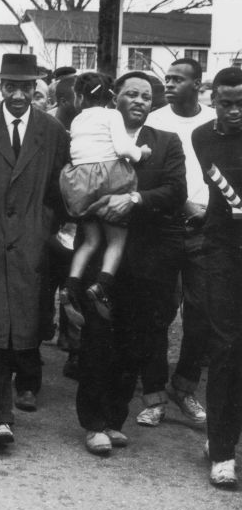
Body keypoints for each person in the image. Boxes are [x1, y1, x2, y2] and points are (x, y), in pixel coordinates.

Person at [72, 71, 186, 455]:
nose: (139, 101)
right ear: (114, 98)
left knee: (132, 346)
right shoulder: (94, 135)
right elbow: (71, 182)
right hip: (101, 261)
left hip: (145, 261)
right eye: (130, 94)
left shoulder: (166, 143)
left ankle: (115, 419)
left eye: (146, 96)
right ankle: (94, 423)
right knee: (97, 342)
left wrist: (134, 200)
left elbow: (175, 191)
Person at [0, 53, 69, 449]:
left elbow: (61, 190)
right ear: (0, 87)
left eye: (27, 86)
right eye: (11, 86)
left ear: (37, 87)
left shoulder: (53, 131)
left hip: (31, 244)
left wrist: (44, 230)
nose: (19, 94)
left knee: (27, 327)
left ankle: (20, 392)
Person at [138, 57, 216, 427]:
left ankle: (183, 386)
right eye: (166, 78)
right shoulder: (154, 121)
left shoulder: (215, 119)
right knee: (157, 310)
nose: (168, 84)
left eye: (178, 79)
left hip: (208, 228)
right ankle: (153, 394)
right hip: (164, 225)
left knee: (201, 314)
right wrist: (183, 203)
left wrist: (209, 209)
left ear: (197, 84)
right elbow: (148, 176)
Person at [59, 72, 150, 323]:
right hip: (108, 178)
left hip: (79, 183)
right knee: (116, 241)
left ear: (78, 98)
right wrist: (141, 153)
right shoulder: (112, 115)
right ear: (111, 97)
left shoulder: (77, 120)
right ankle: (101, 285)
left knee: (90, 241)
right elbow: (122, 148)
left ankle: (70, 286)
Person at [190, 66, 242, 488]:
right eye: (226, 103)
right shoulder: (202, 136)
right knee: (227, 347)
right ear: (213, 100)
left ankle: (224, 434)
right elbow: (228, 196)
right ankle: (223, 451)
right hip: (224, 252)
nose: (235, 110)